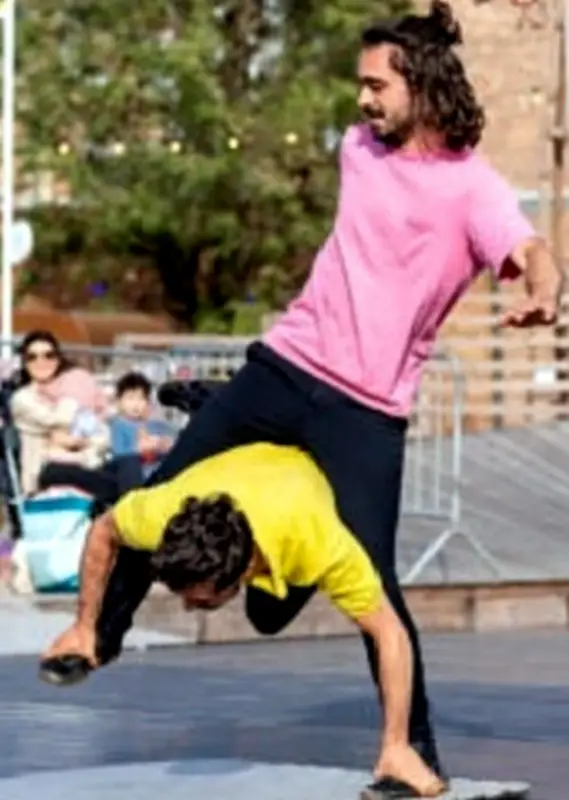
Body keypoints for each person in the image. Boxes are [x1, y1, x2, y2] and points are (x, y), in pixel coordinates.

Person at [38, 2, 564, 795]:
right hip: (284, 367)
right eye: (361, 84)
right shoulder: (358, 148)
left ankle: (410, 754)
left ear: (421, 85)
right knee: (164, 496)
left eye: (375, 85)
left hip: (365, 411)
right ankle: (95, 636)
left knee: (375, 586)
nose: (361, 101)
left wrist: (545, 289)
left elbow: (528, 247)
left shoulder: (471, 188)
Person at [41, 443, 446, 797]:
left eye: (199, 601)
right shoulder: (161, 514)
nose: (188, 609)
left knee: (267, 616)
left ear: (239, 573)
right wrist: (85, 625)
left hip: (302, 492)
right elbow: (103, 530)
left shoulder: (318, 542)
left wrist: (396, 743)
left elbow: (390, 632)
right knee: (262, 614)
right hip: (247, 468)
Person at [10, 330, 108, 495]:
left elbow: (101, 433)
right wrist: (76, 395)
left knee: (126, 465)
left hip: (80, 464)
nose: (41, 361)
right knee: (117, 485)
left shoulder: (67, 388)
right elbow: (62, 419)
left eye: (49, 355)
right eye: (32, 357)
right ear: (24, 363)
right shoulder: (22, 398)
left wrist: (78, 442)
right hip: (44, 473)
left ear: (58, 358)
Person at [108, 372, 174, 480]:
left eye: (141, 398)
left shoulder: (155, 425)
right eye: (130, 398)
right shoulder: (119, 425)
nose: (136, 404)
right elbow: (119, 454)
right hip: (136, 477)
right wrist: (140, 448)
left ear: (147, 402)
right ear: (119, 401)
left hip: (158, 474)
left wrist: (163, 445)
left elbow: (168, 446)